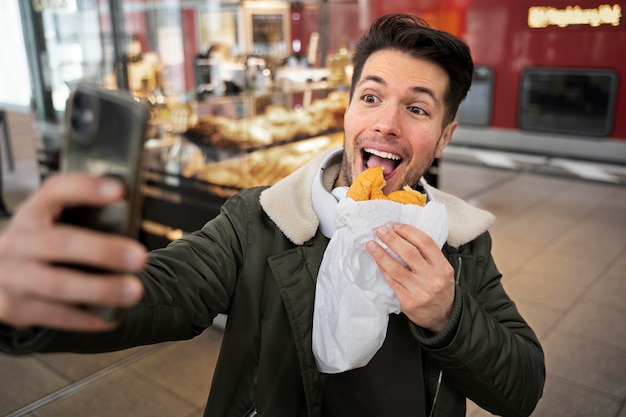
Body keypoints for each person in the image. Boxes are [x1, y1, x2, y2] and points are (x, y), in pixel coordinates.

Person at [0, 14, 544, 417]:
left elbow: (521, 385)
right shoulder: (259, 219)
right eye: (371, 97)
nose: (387, 123)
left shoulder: (460, 243)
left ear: (444, 137)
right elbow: (171, 289)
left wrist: (449, 316)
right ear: (348, 108)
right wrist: (47, 297)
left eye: (418, 108)